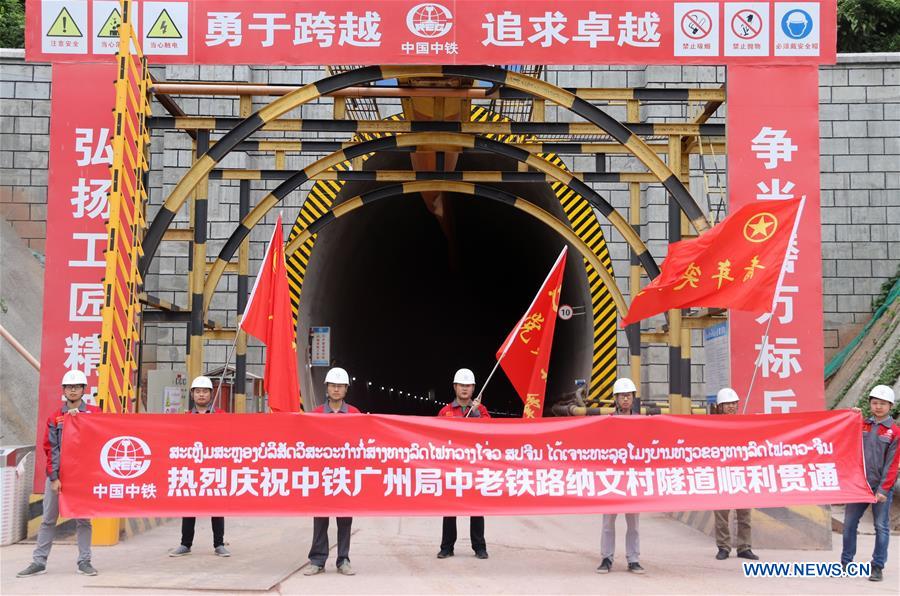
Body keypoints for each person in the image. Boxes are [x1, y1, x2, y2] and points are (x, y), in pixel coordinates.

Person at [17, 370, 101, 578]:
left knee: (83, 520)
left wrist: (80, 420)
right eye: (69, 387)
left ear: (83, 390)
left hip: (83, 477)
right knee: (48, 519)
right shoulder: (55, 417)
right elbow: (50, 448)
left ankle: (84, 561)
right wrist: (54, 477)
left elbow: (99, 440)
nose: (73, 390)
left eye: (77, 386)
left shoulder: (94, 414)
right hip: (59, 476)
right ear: (63, 390)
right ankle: (39, 562)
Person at [304, 367, 360, 576]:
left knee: (344, 519)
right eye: (333, 386)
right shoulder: (316, 414)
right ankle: (317, 560)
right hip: (322, 474)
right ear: (326, 388)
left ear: (346, 389)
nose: (336, 390)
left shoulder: (354, 414)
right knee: (320, 519)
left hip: (345, 474)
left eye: (340, 386)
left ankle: (343, 559)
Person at [842, 384, 898, 583]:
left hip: (880, 487)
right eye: (874, 403)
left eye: (882, 404)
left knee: (881, 526)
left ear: (890, 406)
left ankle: (877, 566)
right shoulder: (863, 425)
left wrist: (883, 489)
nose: (878, 407)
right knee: (849, 524)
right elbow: (845, 435)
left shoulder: (894, 432)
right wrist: (852, 415)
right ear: (870, 404)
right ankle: (846, 563)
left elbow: (893, 465)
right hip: (859, 485)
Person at [169, 376, 230, 558]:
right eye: (198, 391)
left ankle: (219, 544)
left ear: (211, 394)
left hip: (214, 466)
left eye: (205, 391)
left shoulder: (221, 416)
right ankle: (185, 543)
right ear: (192, 395)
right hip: (192, 467)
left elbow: (230, 437)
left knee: (216, 507)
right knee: (189, 506)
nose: (201, 394)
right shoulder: (185, 418)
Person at [437, 368, 490, 560]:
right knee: (450, 508)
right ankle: (446, 547)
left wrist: (475, 414)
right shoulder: (446, 411)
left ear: (474, 388)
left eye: (468, 386)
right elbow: (436, 436)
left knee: (477, 508)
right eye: (462, 385)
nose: (465, 389)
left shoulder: (481, 411)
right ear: (455, 387)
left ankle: (479, 547)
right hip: (452, 467)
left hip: (474, 467)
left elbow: (488, 432)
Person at [597, 377, 644, 574]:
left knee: (633, 523)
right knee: (608, 521)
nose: (625, 399)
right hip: (612, 477)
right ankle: (606, 558)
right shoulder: (606, 422)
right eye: (622, 396)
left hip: (632, 477)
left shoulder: (642, 423)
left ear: (633, 398)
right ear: (615, 399)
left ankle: (633, 559)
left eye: (629, 396)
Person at [712, 388, 759, 561]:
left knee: (744, 514)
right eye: (727, 404)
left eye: (733, 404)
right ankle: (723, 547)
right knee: (722, 514)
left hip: (742, 474)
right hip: (722, 474)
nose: (731, 407)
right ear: (719, 407)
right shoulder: (712, 427)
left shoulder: (744, 424)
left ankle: (744, 547)